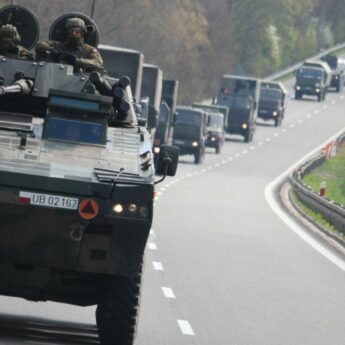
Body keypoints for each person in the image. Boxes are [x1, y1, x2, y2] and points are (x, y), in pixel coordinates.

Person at [35, 17, 103, 72]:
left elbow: (97, 63)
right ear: (67, 32)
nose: (73, 33)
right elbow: (40, 45)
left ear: (82, 32)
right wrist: (52, 50)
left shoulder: (89, 50)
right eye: (71, 31)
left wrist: (76, 61)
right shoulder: (59, 46)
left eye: (77, 31)